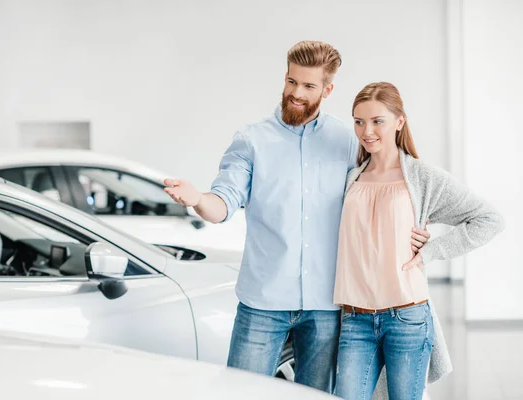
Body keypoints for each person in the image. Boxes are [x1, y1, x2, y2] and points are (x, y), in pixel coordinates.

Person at [162, 42, 429, 393]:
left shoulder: (347, 141)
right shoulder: (252, 140)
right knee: (240, 393)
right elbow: (223, 202)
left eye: (308, 86)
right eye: (291, 82)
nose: (296, 93)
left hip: (325, 307)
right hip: (263, 302)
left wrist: (419, 235)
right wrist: (198, 199)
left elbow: (380, 189)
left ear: (328, 89)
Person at [333, 82, 505, 400]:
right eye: (358, 121)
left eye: (376, 121)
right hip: (354, 319)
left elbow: (489, 219)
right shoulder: (350, 178)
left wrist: (432, 249)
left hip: (406, 318)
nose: (366, 131)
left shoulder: (422, 177)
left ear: (400, 121)